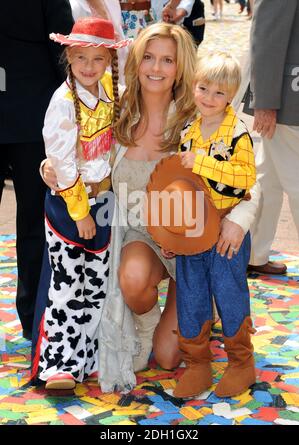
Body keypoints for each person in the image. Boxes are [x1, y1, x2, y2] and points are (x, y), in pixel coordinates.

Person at [41, 23, 261, 394]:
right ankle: (145, 323)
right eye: (149, 57)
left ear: (180, 66)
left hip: (192, 238)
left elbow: (250, 173)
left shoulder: (201, 108)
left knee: (169, 356)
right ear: (136, 61)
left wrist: (238, 221)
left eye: (167, 60)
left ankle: (202, 308)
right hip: (139, 230)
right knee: (133, 280)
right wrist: (47, 169)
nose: (156, 68)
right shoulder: (116, 106)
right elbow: (74, 147)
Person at [31, 17, 131, 390]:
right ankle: (58, 362)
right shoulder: (62, 101)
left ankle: (86, 356)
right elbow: (61, 159)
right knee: (67, 282)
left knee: (96, 281)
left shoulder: (107, 91)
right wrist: (80, 211)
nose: (89, 67)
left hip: (102, 198)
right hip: (71, 205)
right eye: (80, 59)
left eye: (97, 59)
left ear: (107, 61)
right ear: (68, 58)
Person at [172, 51, 257, 398]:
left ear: (232, 95)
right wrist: (172, 231)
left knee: (229, 290)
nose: (209, 98)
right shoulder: (187, 132)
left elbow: (246, 178)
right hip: (193, 228)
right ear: (194, 87)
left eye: (219, 93)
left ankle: (241, 363)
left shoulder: (238, 133)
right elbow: (179, 185)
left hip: (225, 230)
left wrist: (204, 163)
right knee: (191, 294)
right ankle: (197, 364)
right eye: (203, 89)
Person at [0, 0, 74, 341]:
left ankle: (34, 319)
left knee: (34, 223)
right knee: (33, 224)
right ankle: (33, 320)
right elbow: (62, 47)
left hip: (33, 114)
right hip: (34, 113)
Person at [244, 0, 299, 275]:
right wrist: (264, 101)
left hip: (288, 94)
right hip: (289, 96)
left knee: (269, 179)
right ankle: (254, 252)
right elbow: (267, 32)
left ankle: (255, 253)